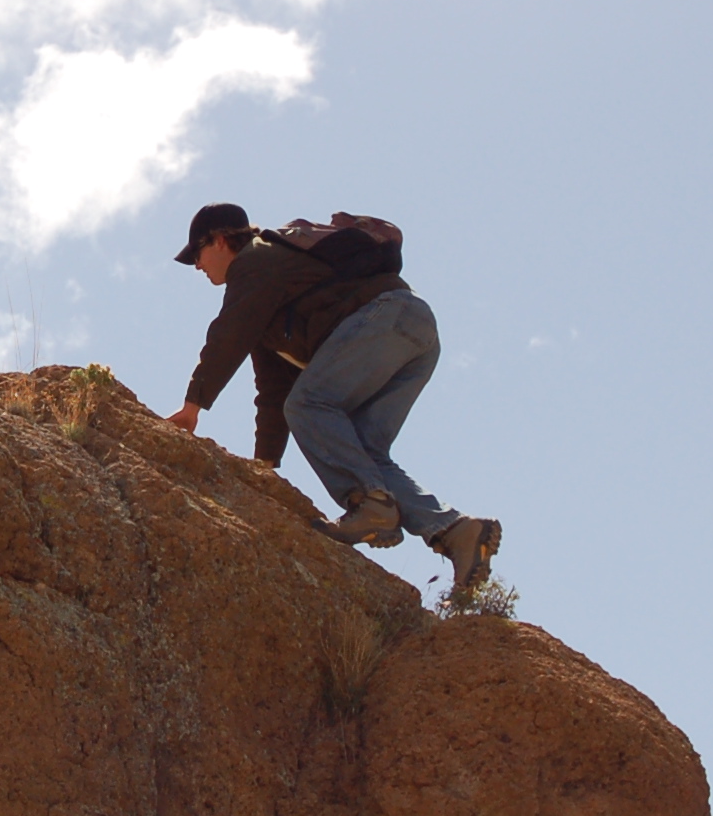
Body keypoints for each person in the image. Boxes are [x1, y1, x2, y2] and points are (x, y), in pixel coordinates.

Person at [161, 202, 502, 592]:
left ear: (220, 241)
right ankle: (455, 530)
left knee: (310, 406)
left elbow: (229, 333)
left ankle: (371, 506)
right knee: (358, 449)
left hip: (383, 319)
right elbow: (273, 393)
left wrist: (193, 406)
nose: (197, 266)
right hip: (414, 332)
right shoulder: (273, 292)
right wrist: (264, 470)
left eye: (197, 255)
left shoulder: (256, 260)